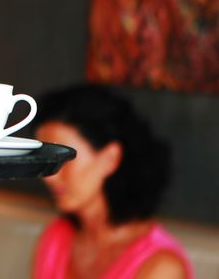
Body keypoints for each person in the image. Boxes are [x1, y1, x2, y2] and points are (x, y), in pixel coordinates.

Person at [32, 83, 193, 279]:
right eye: (47, 161)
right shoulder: (56, 238)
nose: (50, 176)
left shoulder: (161, 267)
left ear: (110, 158)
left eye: (64, 159)